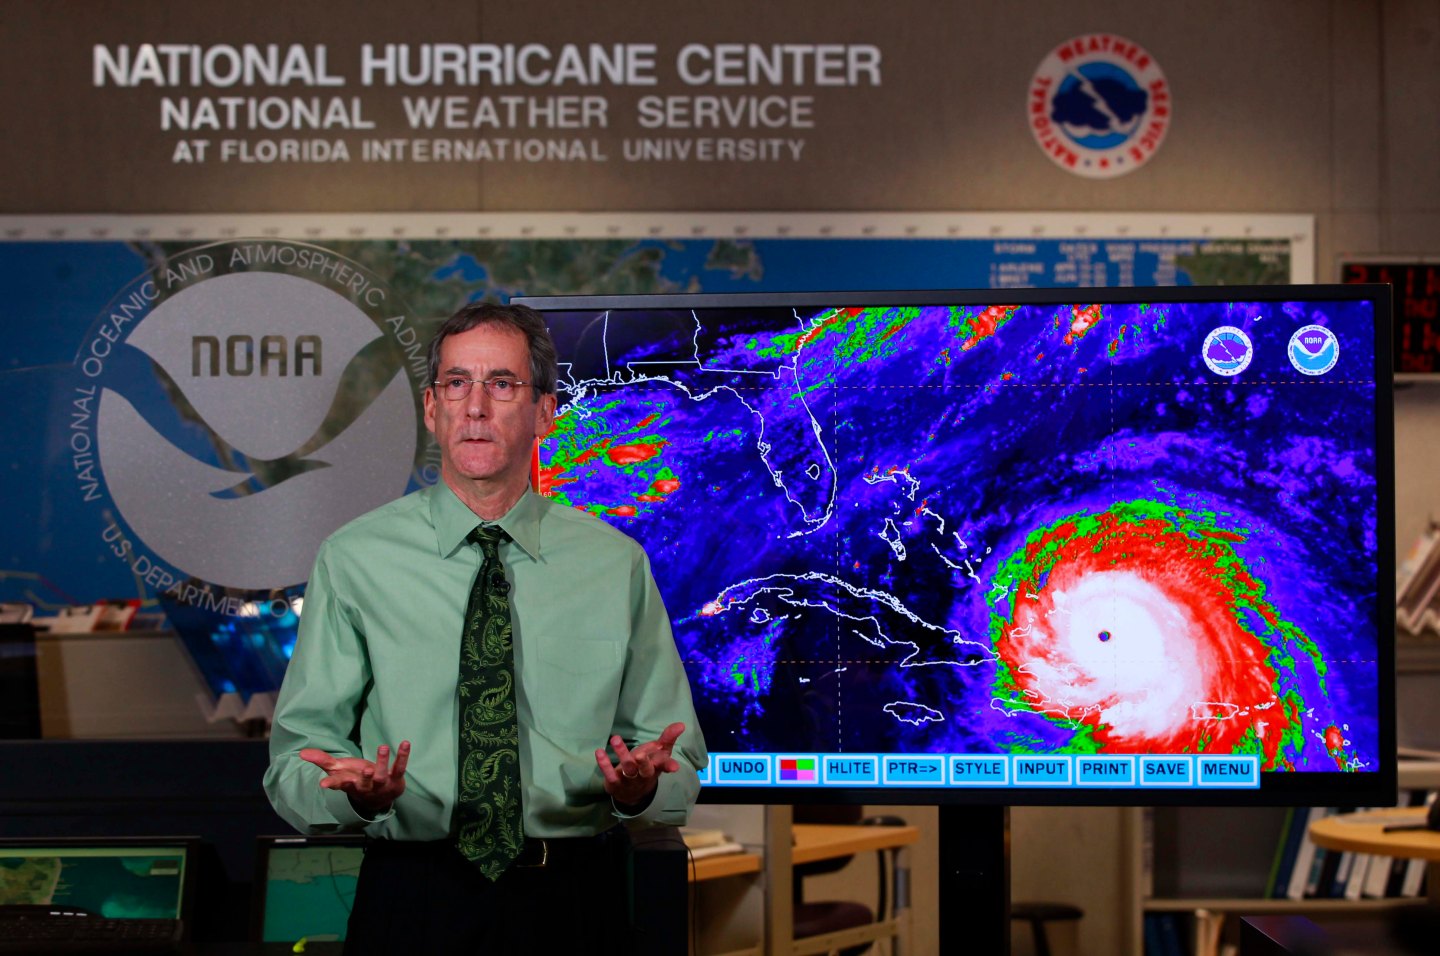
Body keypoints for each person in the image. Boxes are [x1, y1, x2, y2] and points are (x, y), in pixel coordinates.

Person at [264, 302, 707, 954]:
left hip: (576, 904)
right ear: (431, 408)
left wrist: (643, 792)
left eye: (501, 384)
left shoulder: (614, 566)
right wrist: (353, 799)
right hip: (413, 901)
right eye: (455, 383)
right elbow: (293, 765)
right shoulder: (355, 559)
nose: (475, 406)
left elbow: (680, 765)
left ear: (544, 413)